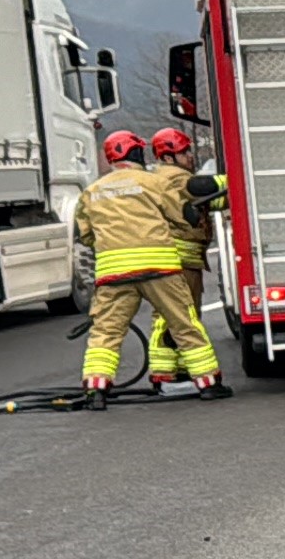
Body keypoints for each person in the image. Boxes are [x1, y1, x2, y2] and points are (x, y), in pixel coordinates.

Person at [76, 131, 227, 399]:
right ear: (138, 154)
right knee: (184, 323)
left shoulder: (91, 191)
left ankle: (96, 389)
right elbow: (180, 215)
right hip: (160, 269)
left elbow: (86, 235)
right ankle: (208, 385)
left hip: (113, 273)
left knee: (106, 332)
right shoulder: (152, 182)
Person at [136, 128, 217, 389]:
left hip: (184, 261)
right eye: (184, 153)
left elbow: (206, 201)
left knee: (181, 314)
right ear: (168, 158)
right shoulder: (172, 177)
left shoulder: (172, 180)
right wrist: (236, 178)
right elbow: (205, 188)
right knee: (174, 316)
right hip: (178, 260)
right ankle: (164, 371)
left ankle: (176, 368)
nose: (190, 157)